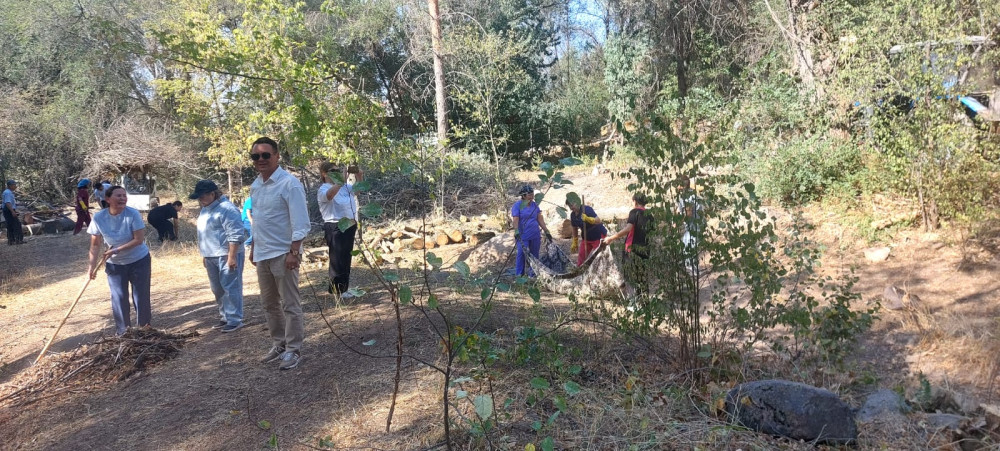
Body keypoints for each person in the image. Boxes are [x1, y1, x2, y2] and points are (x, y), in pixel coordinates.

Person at [248, 136, 310, 370]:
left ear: (276, 156)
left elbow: (301, 222)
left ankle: (294, 350)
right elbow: (258, 221)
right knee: (269, 304)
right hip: (262, 252)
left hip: (284, 253)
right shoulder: (256, 185)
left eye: (266, 155)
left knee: (290, 304)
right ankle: (280, 344)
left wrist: (294, 251)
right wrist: (254, 247)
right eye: (256, 156)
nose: (261, 159)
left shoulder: (289, 184)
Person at [87, 185, 152, 335]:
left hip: (139, 260)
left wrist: (116, 250)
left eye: (124, 195)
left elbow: (138, 240)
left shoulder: (133, 214)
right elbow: (95, 244)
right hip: (115, 265)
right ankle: (124, 333)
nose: (123, 198)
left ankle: (145, 330)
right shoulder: (98, 218)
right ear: (108, 199)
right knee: (119, 297)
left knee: (140, 296)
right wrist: (91, 267)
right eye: (118, 195)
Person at [191, 180, 246, 333]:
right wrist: (205, 255)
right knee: (217, 289)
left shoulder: (227, 209)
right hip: (211, 255)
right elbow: (205, 234)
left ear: (213, 194)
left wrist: (232, 256)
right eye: (199, 197)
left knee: (231, 287)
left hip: (226, 254)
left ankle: (234, 319)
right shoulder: (205, 209)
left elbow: (235, 234)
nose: (200, 200)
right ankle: (225, 316)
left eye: (203, 196)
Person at [318, 161, 363, 298]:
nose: (337, 173)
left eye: (338, 170)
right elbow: (329, 196)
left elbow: (357, 191)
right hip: (335, 226)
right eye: (333, 171)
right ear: (324, 174)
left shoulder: (345, 187)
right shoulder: (323, 189)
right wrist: (341, 180)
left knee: (346, 258)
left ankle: (343, 288)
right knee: (337, 259)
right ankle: (337, 291)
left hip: (349, 225)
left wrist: (359, 176)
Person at [603, 193, 652, 297]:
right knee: (642, 276)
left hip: (631, 249)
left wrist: (611, 238)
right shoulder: (650, 215)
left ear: (635, 202)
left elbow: (628, 229)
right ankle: (644, 300)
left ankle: (633, 300)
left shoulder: (634, 212)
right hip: (645, 249)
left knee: (630, 276)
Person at [511, 185, 552, 277]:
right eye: (529, 195)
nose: (532, 197)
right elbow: (515, 219)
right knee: (521, 253)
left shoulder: (534, 205)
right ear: (523, 196)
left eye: (532, 194)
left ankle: (533, 274)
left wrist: (546, 231)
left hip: (535, 234)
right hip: (523, 235)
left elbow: (539, 218)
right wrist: (516, 231)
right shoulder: (517, 206)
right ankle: (519, 275)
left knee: (535, 254)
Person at [566, 196, 607, 266]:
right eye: (569, 206)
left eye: (572, 204)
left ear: (577, 202)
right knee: (581, 256)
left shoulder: (586, 210)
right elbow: (574, 228)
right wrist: (575, 241)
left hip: (598, 236)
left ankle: (603, 269)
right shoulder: (573, 215)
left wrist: (589, 219)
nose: (571, 207)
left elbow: (598, 221)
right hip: (586, 237)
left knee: (599, 256)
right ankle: (579, 269)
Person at [676, 175, 703, 273]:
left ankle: (692, 269)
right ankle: (689, 266)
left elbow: (689, 212)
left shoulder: (687, 195)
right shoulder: (685, 194)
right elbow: (679, 209)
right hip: (692, 224)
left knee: (690, 245)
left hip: (694, 225)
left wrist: (678, 222)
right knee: (686, 243)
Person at [3, 180, 24, 245]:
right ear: (10, 186)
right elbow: (7, 203)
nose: (15, 186)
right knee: (16, 225)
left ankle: (11, 240)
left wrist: (14, 210)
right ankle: (18, 240)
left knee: (10, 225)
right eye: (14, 185)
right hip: (8, 210)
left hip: (8, 210)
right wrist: (12, 211)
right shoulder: (8, 193)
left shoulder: (9, 192)